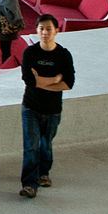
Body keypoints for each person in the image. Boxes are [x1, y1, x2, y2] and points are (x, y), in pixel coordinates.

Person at [18, 14, 74, 198]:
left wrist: (41, 80)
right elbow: (29, 81)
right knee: (31, 145)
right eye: (41, 28)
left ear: (56, 31)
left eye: (48, 29)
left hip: (53, 109)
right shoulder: (30, 53)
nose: (44, 32)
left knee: (45, 144)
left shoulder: (63, 55)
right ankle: (29, 184)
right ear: (36, 30)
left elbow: (68, 83)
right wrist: (54, 79)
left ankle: (44, 173)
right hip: (31, 107)